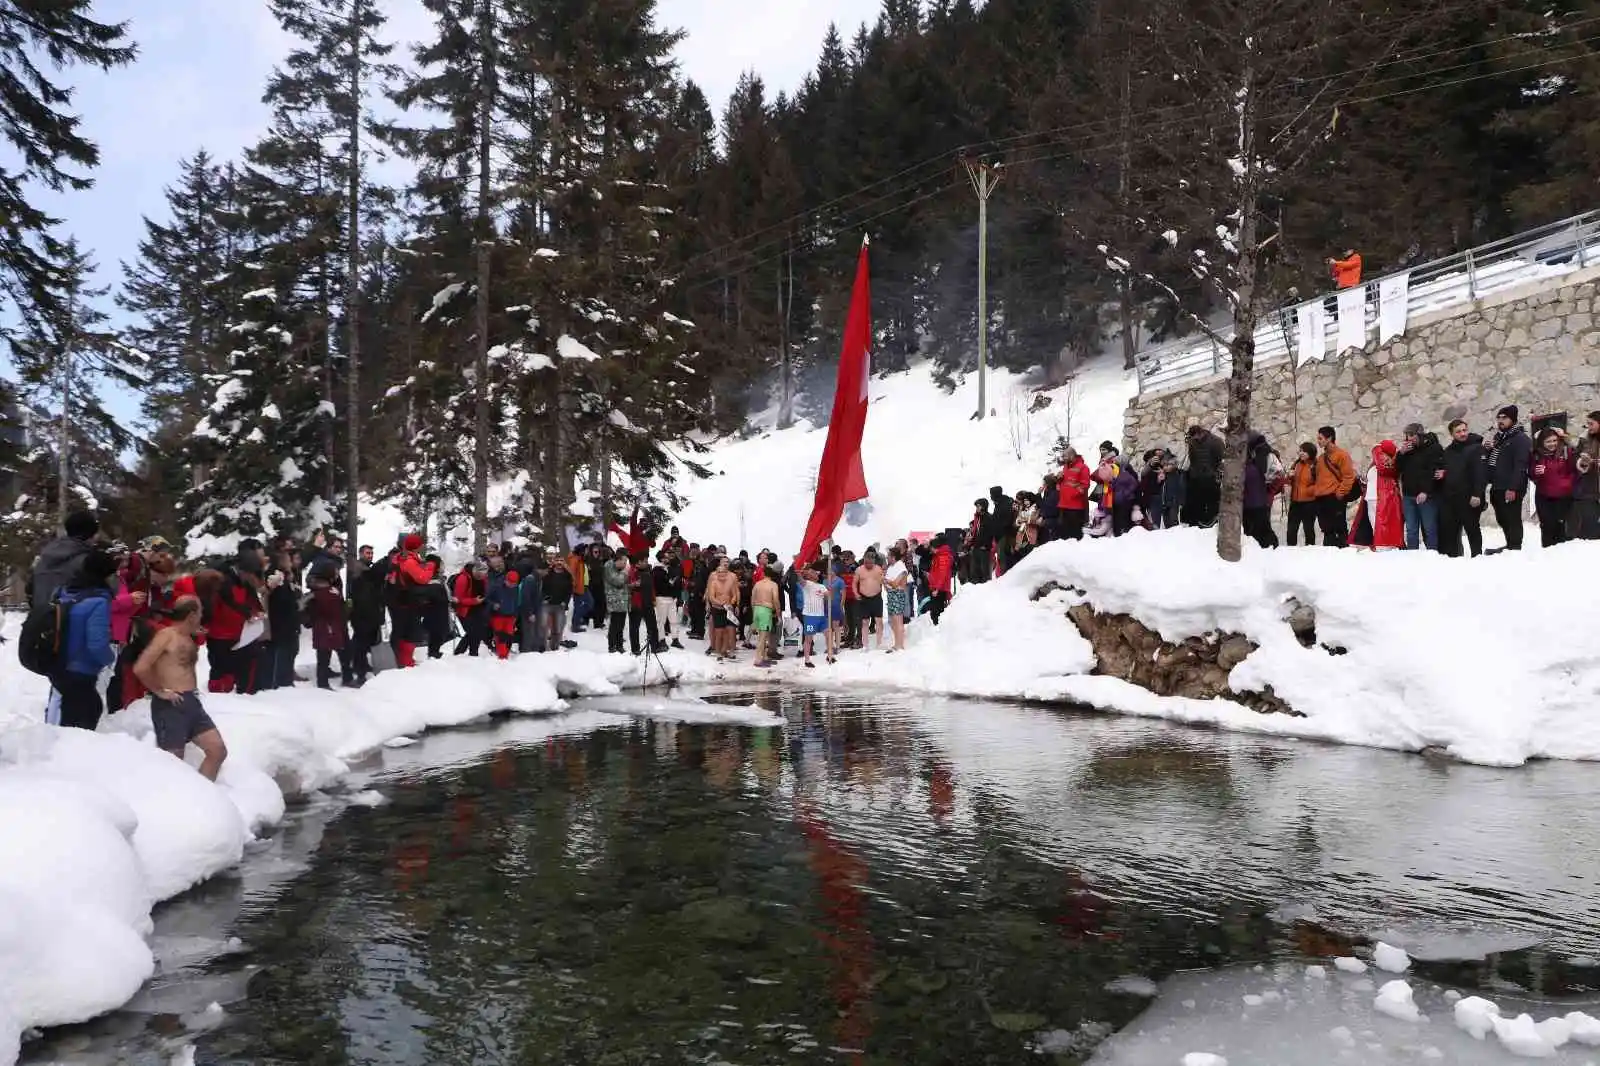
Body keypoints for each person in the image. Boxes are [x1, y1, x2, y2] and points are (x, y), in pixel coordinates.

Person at [132, 597, 227, 780]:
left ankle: (204, 796)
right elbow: (141, 667)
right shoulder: (166, 635)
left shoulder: (187, 637)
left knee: (217, 750)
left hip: (191, 702)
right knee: (173, 763)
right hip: (170, 705)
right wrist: (159, 691)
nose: (201, 617)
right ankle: (173, 804)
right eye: (199, 613)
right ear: (191, 615)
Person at [51, 549, 118, 730]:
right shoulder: (98, 601)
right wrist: (110, 660)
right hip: (80, 670)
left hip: (58, 664)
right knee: (87, 715)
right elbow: (96, 643)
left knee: (69, 717)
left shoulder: (64, 591)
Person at [1484, 405, 1531, 551]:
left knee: (1512, 518)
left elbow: (1521, 465)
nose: (1500, 421)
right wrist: (1489, 449)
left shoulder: (1520, 439)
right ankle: (1510, 544)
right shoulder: (1500, 438)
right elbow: (1495, 460)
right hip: (1497, 485)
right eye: (1499, 418)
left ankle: (1515, 546)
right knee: (1502, 518)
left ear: (1513, 419)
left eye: (1504, 418)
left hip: (1510, 486)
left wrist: (1513, 488)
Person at [387, 534, 438, 667]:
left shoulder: (399, 558)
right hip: (408, 601)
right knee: (410, 632)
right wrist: (431, 566)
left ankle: (402, 660)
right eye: (420, 544)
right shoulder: (409, 561)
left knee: (402, 631)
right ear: (416, 547)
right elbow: (422, 578)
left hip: (399, 600)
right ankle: (406, 661)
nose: (422, 546)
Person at [1439, 419, 1488, 558]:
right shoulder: (1448, 451)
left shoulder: (1477, 448)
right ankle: (1455, 558)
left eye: (1464, 430)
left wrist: (1477, 494)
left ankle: (1477, 557)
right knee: (1452, 532)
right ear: (1452, 434)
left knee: (1472, 529)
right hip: (1452, 498)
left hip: (1470, 497)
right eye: (1458, 431)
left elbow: (1481, 473)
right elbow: (1449, 470)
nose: (1462, 433)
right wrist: (1444, 474)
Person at [30, 509, 99, 606]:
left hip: (41, 617)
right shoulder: (87, 562)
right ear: (89, 535)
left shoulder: (45, 558)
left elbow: (31, 590)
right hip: (72, 618)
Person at [1395, 422, 1446, 551]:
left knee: (1430, 528)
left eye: (1411, 435)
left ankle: (1433, 554)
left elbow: (1433, 472)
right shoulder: (1407, 451)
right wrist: (1401, 453)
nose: (1408, 439)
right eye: (1406, 436)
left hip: (1426, 495)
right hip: (1408, 494)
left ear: (1419, 434)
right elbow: (1398, 469)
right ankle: (1412, 556)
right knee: (1411, 529)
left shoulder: (1433, 448)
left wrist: (1425, 491)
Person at [1529, 427, 1578, 548]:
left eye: (1555, 440)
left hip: (1564, 496)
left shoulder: (1566, 452)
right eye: (1548, 441)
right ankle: (1547, 555)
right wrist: (1536, 472)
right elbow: (1530, 473)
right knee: (1547, 526)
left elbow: (1575, 469)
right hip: (1544, 496)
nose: (1552, 444)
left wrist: (1569, 483)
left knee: (1562, 528)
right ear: (1542, 442)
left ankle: (1562, 556)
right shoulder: (1536, 455)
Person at [263, 549, 301, 689]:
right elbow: (278, 598)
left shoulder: (289, 576)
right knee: (281, 651)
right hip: (280, 620)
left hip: (289, 620)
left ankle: (286, 678)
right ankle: (280, 680)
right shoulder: (275, 575)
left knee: (290, 650)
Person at [1315, 427, 1358, 548]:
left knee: (1339, 529)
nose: (1318, 441)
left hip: (1335, 497)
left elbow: (1349, 476)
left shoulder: (1342, 455)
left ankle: (1343, 554)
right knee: (1327, 531)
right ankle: (1329, 557)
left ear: (1329, 438)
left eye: (1320, 438)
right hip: (1321, 498)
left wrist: (1340, 493)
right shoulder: (1321, 458)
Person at [347, 545, 384, 684]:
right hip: (362, 614)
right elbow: (360, 595)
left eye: (371, 553)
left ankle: (360, 666)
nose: (370, 555)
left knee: (365, 642)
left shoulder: (369, 570)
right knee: (360, 644)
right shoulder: (359, 570)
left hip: (370, 613)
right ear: (361, 554)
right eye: (367, 553)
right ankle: (359, 670)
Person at [308, 571, 351, 689]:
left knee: (323, 657)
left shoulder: (314, 594)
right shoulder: (331, 593)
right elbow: (338, 610)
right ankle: (343, 679)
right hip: (331, 627)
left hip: (324, 628)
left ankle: (323, 682)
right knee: (339, 654)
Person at [1360, 441, 1404, 550]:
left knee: (1381, 527)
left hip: (1379, 498)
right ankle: (1381, 548)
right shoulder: (1375, 465)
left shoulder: (1381, 458)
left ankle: (1383, 550)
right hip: (1371, 498)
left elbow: (1384, 470)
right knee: (1376, 527)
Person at [1242, 432, 1281, 549]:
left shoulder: (1261, 459)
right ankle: (1266, 550)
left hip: (1256, 501)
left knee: (1259, 529)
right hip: (1255, 501)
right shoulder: (1256, 460)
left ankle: (1270, 550)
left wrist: (1270, 492)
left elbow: (1278, 477)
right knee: (1258, 529)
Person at [1182, 426, 1224, 527]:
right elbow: (1190, 460)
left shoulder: (1216, 441)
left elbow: (1221, 459)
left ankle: (1212, 523)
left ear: (1199, 433)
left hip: (1211, 478)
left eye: (1193, 436)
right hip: (1196, 478)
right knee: (1197, 503)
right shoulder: (1192, 442)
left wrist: (1217, 473)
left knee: (1212, 502)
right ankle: (1198, 524)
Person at [1569, 412, 1600, 541]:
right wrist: (1582, 462)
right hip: (1590, 490)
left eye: (1591, 423)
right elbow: (1576, 456)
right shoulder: (1584, 439)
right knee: (1589, 531)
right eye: (1587, 424)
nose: (1589, 427)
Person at [705, 554, 740, 661]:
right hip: (717, 606)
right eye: (723, 561)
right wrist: (708, 603)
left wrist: (736, 604)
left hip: (729, 606)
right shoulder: (713, 576)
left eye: (727, 562)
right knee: (717, 629)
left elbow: (736, 592)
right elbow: (709, 591)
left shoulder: (732, 576)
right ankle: (715, 647)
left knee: (730, 629)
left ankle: (727, 649)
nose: (725, 563)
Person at [627, 551, 662, 655]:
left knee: (652, 626)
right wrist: (634, 585)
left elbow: (652, 587)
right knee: (634, 627)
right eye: (644, 561)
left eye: (647, 561)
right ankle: (635, 649)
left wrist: (653, 598)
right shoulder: (632, 571)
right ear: (638, 562)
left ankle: (655, 647)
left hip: (648, 603)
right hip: (636, 603)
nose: (646, 562)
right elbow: (628, 586)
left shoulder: (648, 571)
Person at [1286, 443, 1321, 546]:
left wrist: (1309, 491)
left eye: (1303, 451)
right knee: (1291, 529)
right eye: (1300, 450)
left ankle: (1310, 551)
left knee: (1308, 529)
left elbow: (1320, 483)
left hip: (1309, 503)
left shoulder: (1316, 465)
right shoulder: (1296, 464)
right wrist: (1290, 477)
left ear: (1310, 452)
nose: (1301, 453)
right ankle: (1290, 550)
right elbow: (1291, 481)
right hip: (1295, 502)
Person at [798, 565, 832, 668]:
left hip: (821, 616)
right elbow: (801, 580)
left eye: (815, 572)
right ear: (808, 575)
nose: (816, 574)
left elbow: (829, 597)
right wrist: (799, 573)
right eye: (813, 572)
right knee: (808, 638)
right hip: (810, 616)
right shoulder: (807, 584)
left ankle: (830, 655)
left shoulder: (821, 586)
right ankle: (807, 660)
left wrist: (830, 592)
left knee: (828, 634)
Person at [452, 561, 488, 657]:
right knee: (472, 631)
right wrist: (474, 601)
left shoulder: (484, 578)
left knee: (478, 631)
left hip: (479, 608)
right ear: (474, 571)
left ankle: (473, 652)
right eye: (479, 576)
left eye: (483, 576)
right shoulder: (463, 579)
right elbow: (458, 599)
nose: (481, 578)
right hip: (465, 610)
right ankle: (459, 652)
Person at [486, 567, 522, 660]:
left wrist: (515, 615)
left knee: (508, 636)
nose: (511, 585)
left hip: (511, 615)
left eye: (514, 583)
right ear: (506, 580)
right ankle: (502, 656)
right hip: (498, 615)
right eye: (510, 583)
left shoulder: (516, 588)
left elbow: (516, 601)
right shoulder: (496, 586)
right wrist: (493, 604)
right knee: (500, 636)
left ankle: (505, 653)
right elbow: (486, 598)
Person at [853, 551, 885, 651]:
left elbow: (883, 582)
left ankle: (879, 643)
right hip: (864, 598)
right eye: (866, 563)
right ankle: (865, 644)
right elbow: (854, 583)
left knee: (879, 621)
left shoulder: (878, 569)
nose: (868, 565)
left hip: (876, 597)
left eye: (870, 563)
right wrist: (856, 594)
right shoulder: (859, 570)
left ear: (874, 561)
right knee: (865, 622)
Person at [1058, 447, 1092, 541]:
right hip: (1063, 504)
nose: (1063, 458)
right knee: (1064, 534)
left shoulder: (1083, 467)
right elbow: (1063, 483)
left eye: (1065, 456)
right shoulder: (1065, 467)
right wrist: (1059, 480)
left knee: (1075, 534)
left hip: (1075, 507)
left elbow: (1085, 485)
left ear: (1072, 455)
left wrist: (1072, 494)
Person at [542, 550, 574, 648]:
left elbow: (569, 591)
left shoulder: (567, 576)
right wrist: (544, 598)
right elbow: (543, 588)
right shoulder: (549, 574)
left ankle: (554, 647)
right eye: (557, 560)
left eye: (561, 561)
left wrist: (565, 602)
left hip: (560, 605)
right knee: (543, 626)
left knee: (558, 628)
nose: (559, 563)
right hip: (548, 604)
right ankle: (542, 647)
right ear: (554, 562)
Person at [652, 550, 683, 649]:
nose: (668, 558)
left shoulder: (670, 568)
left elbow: (675, 582)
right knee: (661, 621)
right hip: (661, 598)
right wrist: (670, 583)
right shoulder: (656, 570)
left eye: (668, 557)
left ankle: (675, 639)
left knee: (674, 620)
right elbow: (659, 585)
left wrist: (675, 593)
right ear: (661, 559)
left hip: (671, 598)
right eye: (665, 557)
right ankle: (661, 640)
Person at [751, 565, 780, 668]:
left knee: (764, 635)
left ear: (763, 574)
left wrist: (754, 611)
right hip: (766, 610)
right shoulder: (773, 585)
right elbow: (776, 600)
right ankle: (758, 659)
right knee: (763, 637)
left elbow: (752, 599)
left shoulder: (757, 584)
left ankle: (765, 657)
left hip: (757, 609)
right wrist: (778, 614)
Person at [602, 553, 631, 653]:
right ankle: (612, 647)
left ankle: (619, 646)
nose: (625, 564)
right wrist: (625, 573)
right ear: (617, 560)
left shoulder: (621, 570)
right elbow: (617, 581)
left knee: (621, 625)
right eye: (624, 561)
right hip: (614, 601)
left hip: (622, 601)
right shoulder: (609, 566)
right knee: (614, 625)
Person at [884, 546, 910, 653]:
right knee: (893, 621)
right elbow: (888, 584)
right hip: (891, 594)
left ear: (893, 557)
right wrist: (884, 582)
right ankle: (897, 643)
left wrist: (885, 580)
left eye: (888, 556)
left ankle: (900, 645)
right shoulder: (891, 567)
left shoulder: (901, 567)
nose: (887, 558)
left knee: (898, 620)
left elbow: (895, 583)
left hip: (898, 594)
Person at [965, 498, 995, 582]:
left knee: (984, 572)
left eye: (978, 506)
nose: (977, 508)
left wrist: (986, 545)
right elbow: (975, 532)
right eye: (976, 506)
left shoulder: (989, 517)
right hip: (976, 547)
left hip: (984, 548)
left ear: (984, 506)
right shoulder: (977, 518)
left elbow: (990, 534)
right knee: (975, 572)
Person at [989, 486, 1017, 575]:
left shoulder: (1005, 504)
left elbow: (1007, 520)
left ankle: (1005, 576)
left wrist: (999, 528)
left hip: (1004, 535)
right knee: (1002, 557)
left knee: (1003, 557)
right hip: (1000, 535)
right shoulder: (999, 504)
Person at [927, 536, 954, 625]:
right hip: (936, 587)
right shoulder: (938, 555)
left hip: (939, 589)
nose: (931, 550)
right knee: (935, 611)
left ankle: (937, 631)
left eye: (931, 548)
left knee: (937, 612)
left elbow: (942, 574)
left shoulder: (943, 556)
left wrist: (937, 589)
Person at [566, 545, 591, 633]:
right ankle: (575, 625)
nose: (587, 552)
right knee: (580, 606)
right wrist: (574, 586)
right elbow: (571, 574)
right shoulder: (575, 560)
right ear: (581, 551)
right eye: (586, 550)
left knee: (587, 604)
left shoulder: (581, 559)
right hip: (578, 587)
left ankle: (576, 620)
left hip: (584, 585)